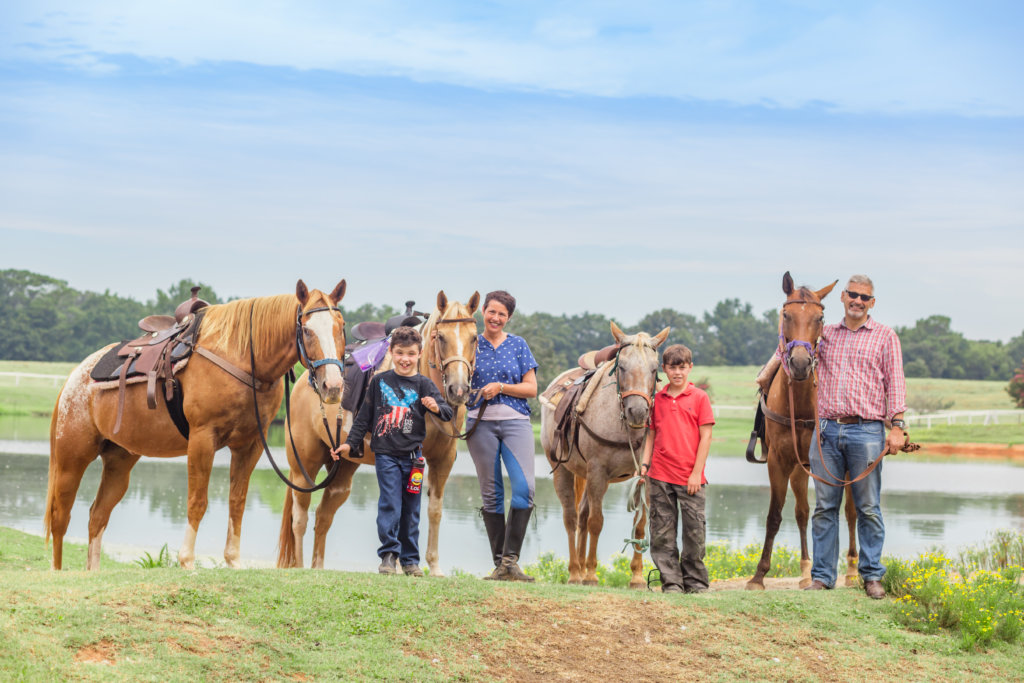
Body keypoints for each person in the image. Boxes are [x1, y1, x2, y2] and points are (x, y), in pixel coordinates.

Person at [802, 275, 907, 599]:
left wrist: (897, 425)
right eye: (853, 295)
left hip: (867, 430)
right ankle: (822, 577)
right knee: (824, 507)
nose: (857, 301)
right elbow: (795, 349)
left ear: (871, 303)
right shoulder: (825, 334)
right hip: (827, 429)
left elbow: (895, 382)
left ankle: (871, 576)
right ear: (843, 297)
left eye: (864, 297)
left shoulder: (885, 336)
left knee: (869, 507)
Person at [332, 326, 453, 576]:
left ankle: (410, 561)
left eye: (410, 354)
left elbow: (448, 412)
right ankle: (388, 556)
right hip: (386, 456)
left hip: (414, 460)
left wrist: (436, 407)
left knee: (411, 510)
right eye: (399, 353)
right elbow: (363, 418)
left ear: (419, 354)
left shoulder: (424, 384)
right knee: (390, 505)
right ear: (391, 352)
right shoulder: (380, 382)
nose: (404, 359)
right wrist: (350, 443)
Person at [466, 290, 539, 581]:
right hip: (479, 425)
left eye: (502, 314)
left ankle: (510, 560)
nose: (495, 318)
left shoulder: (518, 345)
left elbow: (531, 388)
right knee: (491, 493)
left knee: (525, 488)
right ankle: (502, 565)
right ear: (482, 311)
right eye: (492, 312)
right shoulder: (471, 344)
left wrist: (501, 387)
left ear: (508, 318)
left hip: (516, 423)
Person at [637, 344, 715, 594]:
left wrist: (696, 473)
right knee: (661, 533)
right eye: (672, 368)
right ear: (664, 369)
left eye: (682, 367)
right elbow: (651, 435)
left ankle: (696, 583)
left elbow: (706, 437)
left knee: (694, 534)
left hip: (691, 478)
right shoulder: (657, 400)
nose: (677, 372)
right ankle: (671, 583)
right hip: (659, 476)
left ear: (690, 368)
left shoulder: (700, 398)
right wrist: (644, 465)